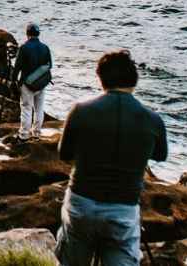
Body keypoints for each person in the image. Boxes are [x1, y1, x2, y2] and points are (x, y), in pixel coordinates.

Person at [56, 50, 167, 266]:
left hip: (82, 203)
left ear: (101, 78)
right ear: (134, 79)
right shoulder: (152, 119)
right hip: (123, 207)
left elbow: (64, 154)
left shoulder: (80, 111)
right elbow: (160, 155)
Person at [12, 22, 54, 141]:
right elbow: (49, 65)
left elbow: (17, 67)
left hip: (27, 84)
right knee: (39, 109)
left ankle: (24, 135)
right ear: (38, 34)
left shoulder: (24, 47)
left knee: (26, 108)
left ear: (27, 34)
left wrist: (13, 81)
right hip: (41, 83)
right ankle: (36, 134)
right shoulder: (45, 48)